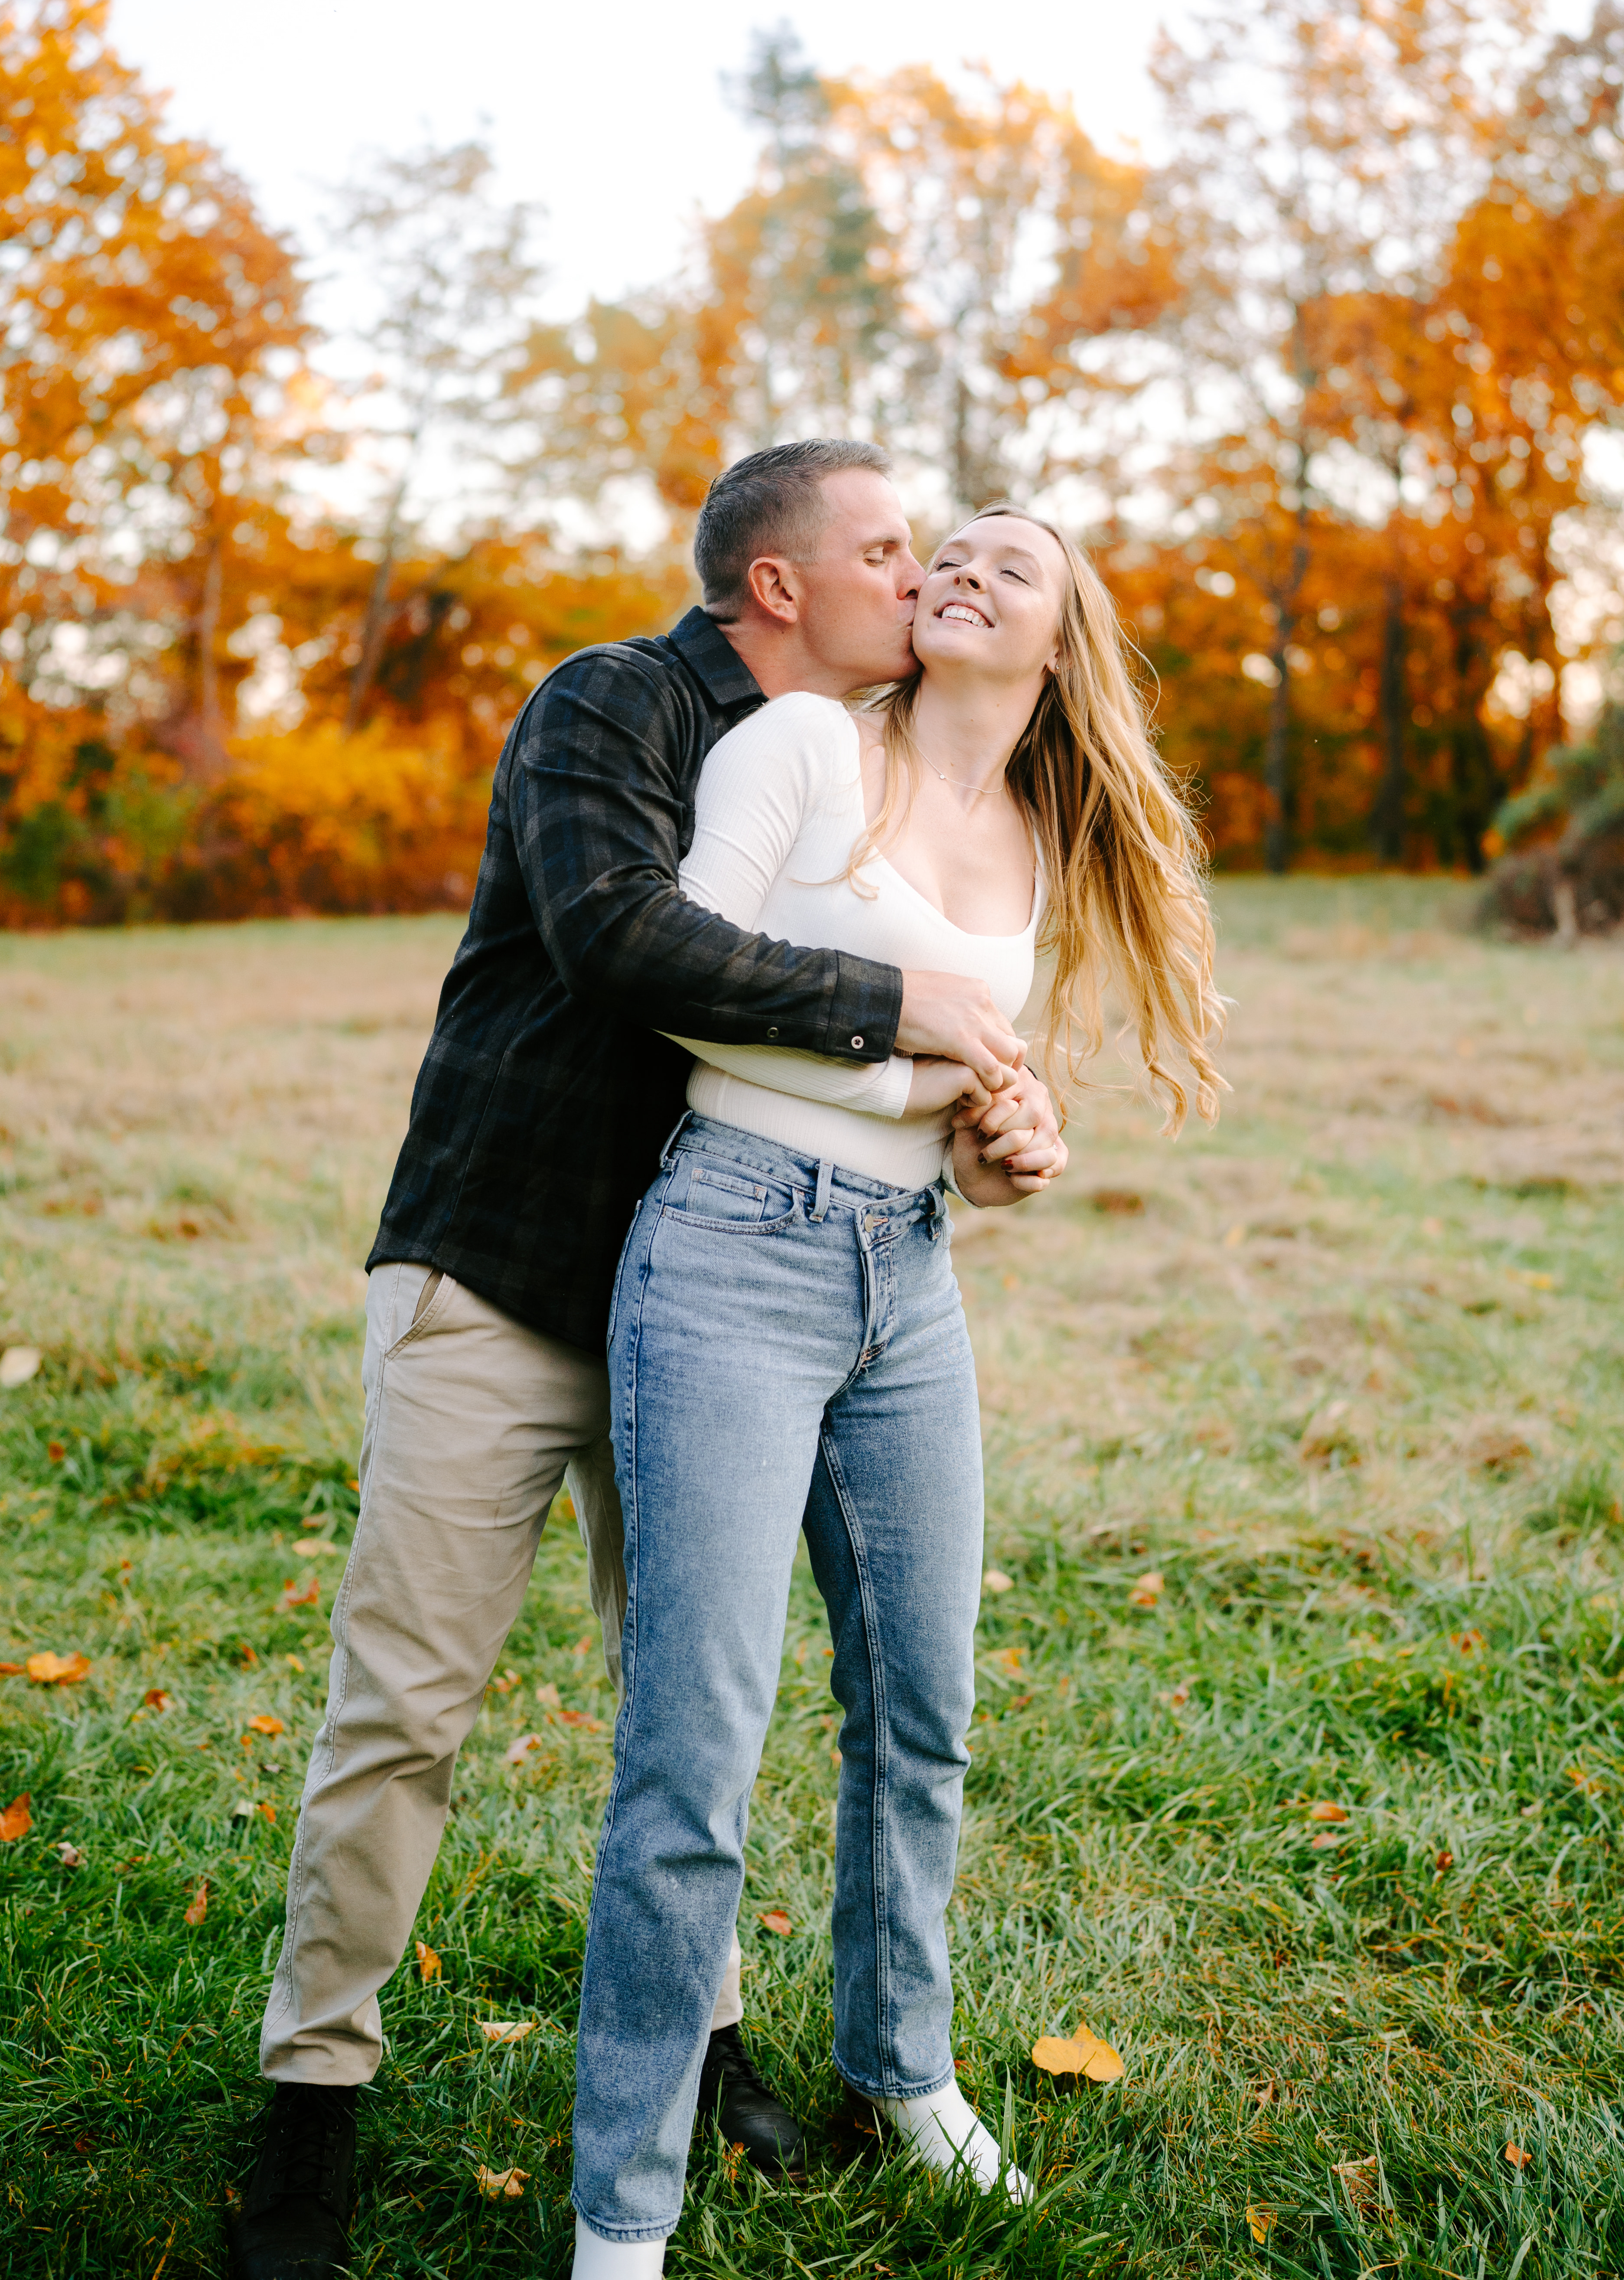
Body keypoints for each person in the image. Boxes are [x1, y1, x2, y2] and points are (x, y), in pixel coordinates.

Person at [229, 442, 1066, 2280]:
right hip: (513, 1267)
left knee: (689, 1689)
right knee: (411, 1694)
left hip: (709, 1304)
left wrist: (979, 1116)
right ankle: (313, 2096)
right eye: (883, 552)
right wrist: (899, 1011)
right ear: (783, 586)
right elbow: (624, 935)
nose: (914, 579)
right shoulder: (616, 700)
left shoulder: (876, 778)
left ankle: (705, 2048)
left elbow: (920, 1029)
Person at [567, 504, 1227, 2275]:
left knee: (919, 1718)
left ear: (1057, 642)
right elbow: (671, 988)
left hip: (907, 1283)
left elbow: (976, 1092)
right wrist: (913, 1040)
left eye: (1010, 564)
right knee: (691, 1758)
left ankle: (903, 2073)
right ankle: (622, 2215)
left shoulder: (1031, 840)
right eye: (945, 547)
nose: (959, 567)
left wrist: (1012, 1142)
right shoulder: (800, 748)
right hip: (727, 1254)